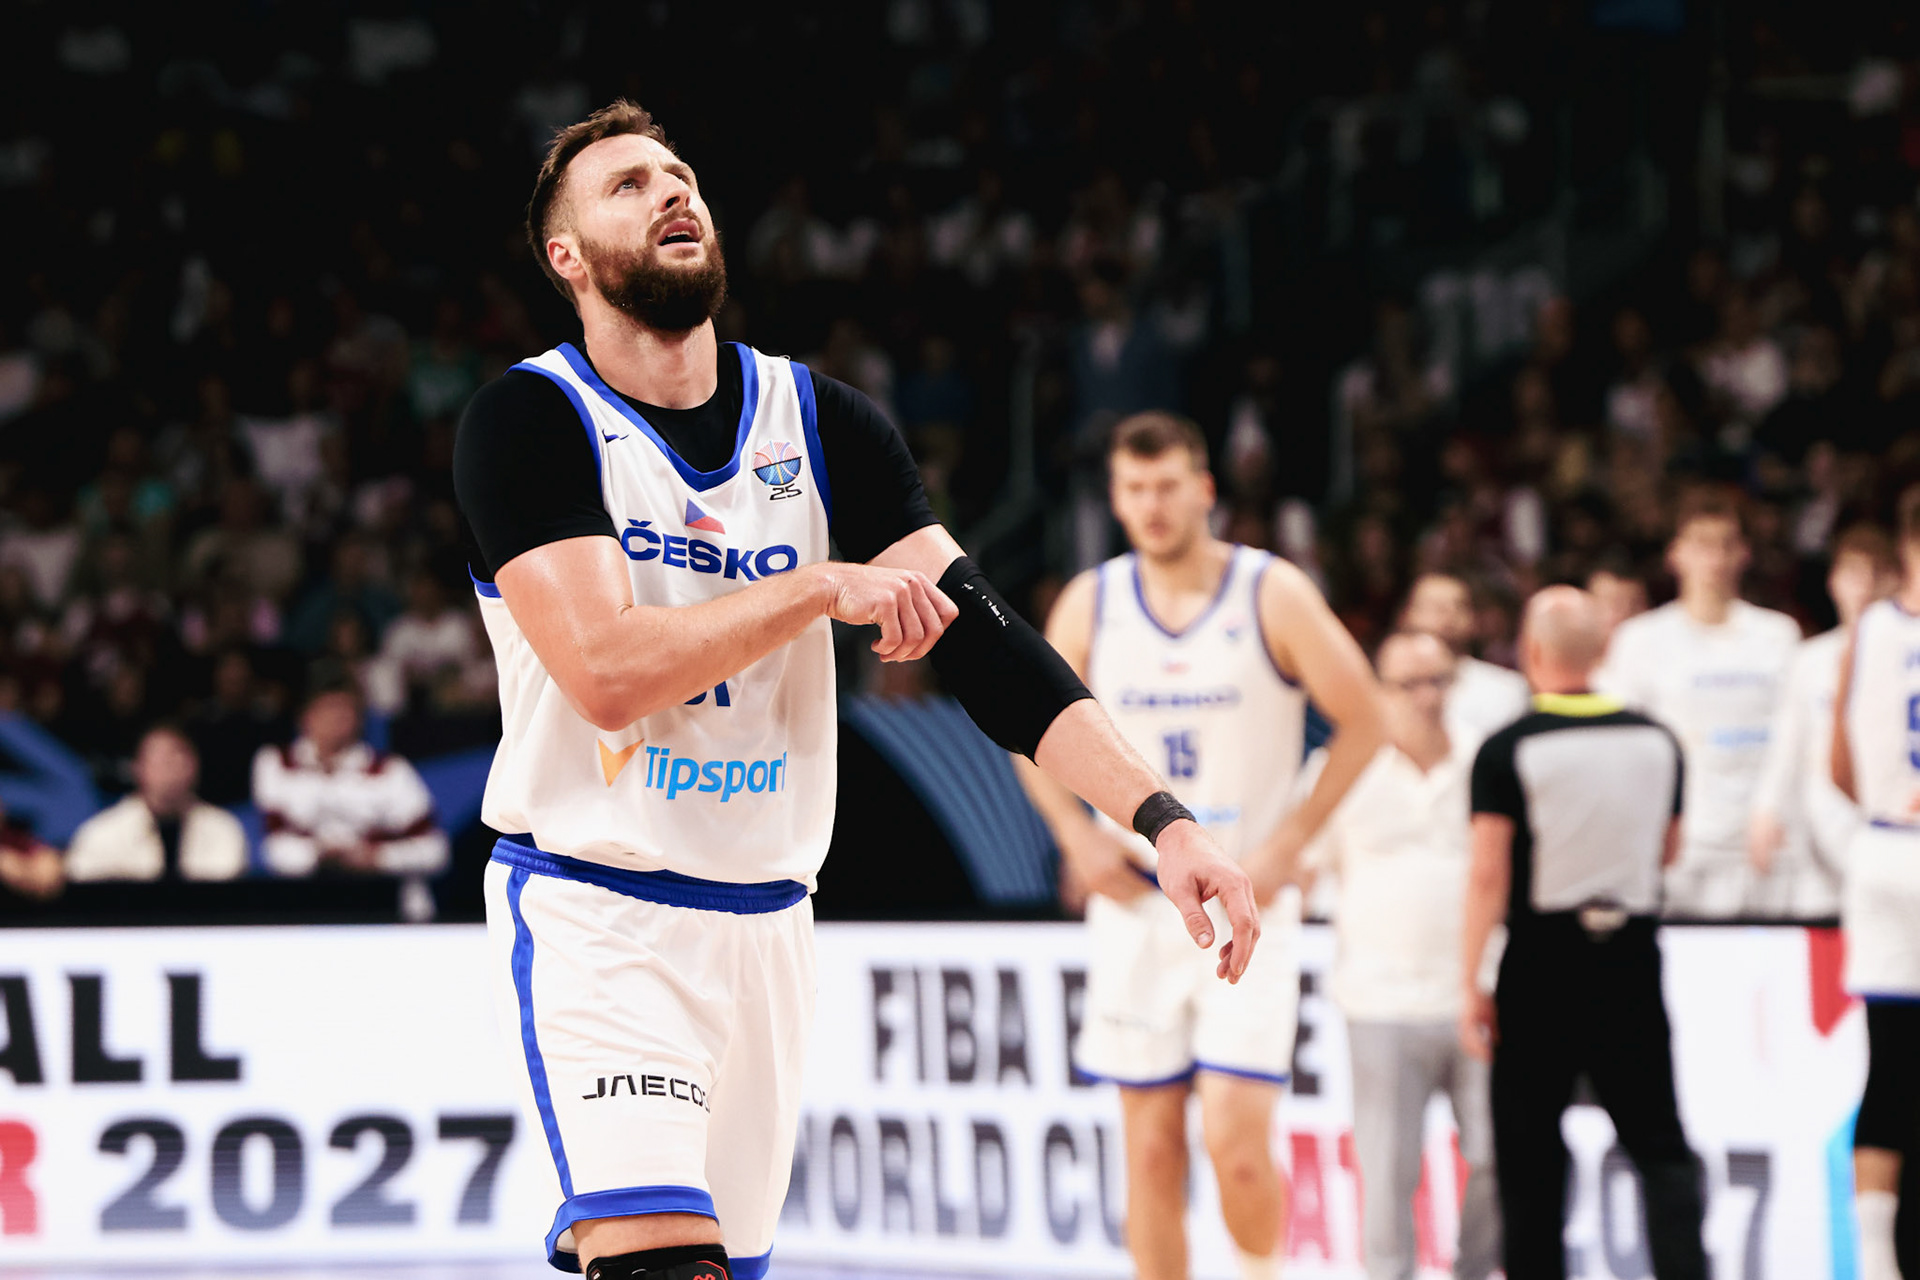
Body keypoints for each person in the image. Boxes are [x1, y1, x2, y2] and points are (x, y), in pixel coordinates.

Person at [450, 102, 1260, 1280]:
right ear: (566, 256)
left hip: (770, 916)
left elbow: (986, 648)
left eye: (680, 174)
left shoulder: (823, 421)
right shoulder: (529, 420)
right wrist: (817, 585)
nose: (672, 191)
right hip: (600, 908)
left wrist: (1163, 820)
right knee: (662, 1263)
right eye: (627, 184)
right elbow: (607, 673)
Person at [1021, 412, 1385, 1280]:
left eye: (1167, 486)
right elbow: (1028, 728)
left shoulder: (1270, 591)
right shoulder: (1093, 601)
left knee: (1236, 1142)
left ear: (1205, 490)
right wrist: (1073, 837)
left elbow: (1367, 718)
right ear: (1115, 498)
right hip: (1137, 906)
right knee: (1149, 1149)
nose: (1151, 504)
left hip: (1245, 902)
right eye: (1134, 488)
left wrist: (1292, 841)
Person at [1461, 587, 1707, 1280]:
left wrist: (1470, 982)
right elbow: (1668, 850)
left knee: (1530, 1158)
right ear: (1604, 650)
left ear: (1531, 651)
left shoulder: (1508, 747)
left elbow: (1488, 874)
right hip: (1631, 956)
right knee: (1660, 1148)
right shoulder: (1657, 739)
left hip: (1541, 962)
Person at [1304, 631, 1498, 1280]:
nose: (1426, 697)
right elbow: (1304, 863)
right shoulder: (1340, 767)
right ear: (1378, 690)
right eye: (1408, 684)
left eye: (1438, 680)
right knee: (1387, 1172)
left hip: (1477, 994)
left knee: (1497, 1155)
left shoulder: (1486, 758)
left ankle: (1475, 1270)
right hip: (1379, 997)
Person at [1597, 489, 1802, 917]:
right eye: (1703, 545)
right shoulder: (1641, 640)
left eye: (1727, 544)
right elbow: (1624, 744)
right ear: (1676, 554)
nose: (1715, 558)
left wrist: (1772, 809)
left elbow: (1794, 734)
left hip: (1760, 838)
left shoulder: (1777, 636)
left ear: (1744, 553)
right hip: (1681, 842)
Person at [1831, 484, 1920, 1280]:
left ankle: (1876, 1259)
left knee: (1889, 1063)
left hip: (1880, 848)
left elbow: (1838, 759)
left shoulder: (1869, 630)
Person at [1750, 526, 1899, 917]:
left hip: (1884, 827)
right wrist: (1766, 808)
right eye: (1853, 573)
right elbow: (1788, 742)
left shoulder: (1906, 655)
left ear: (1895, 580)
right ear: (1834, 582)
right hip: (1819, 832)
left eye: (1876, 573)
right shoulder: (1810, 660)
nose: (1864, 587)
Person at [251, 681, 448, 920]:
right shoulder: (277, 763)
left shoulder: (390, 770)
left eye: (346, 710)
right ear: (305, 717)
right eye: (328, 709)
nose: (337, 718)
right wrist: (320, 855)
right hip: (302, 903)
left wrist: (377, 858)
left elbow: (435, 851)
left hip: (385, 904)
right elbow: (272, 848)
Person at [66, 724, 246, 882]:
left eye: (178, 759)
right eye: (161, 761)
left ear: (194, 766)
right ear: (138, 768)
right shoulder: (101, 834)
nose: (171, 770)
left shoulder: (224, 829)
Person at [1400, 572, 1530, 753]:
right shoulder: (1384, 688)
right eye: (1436, 606)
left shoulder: (1509, 689)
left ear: (1473, 620)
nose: (1448, 615)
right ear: (1407, 615)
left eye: (1459, 606)